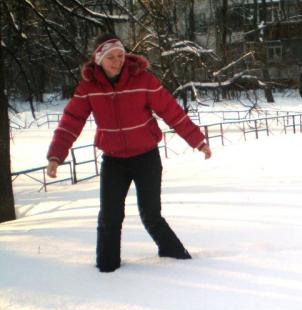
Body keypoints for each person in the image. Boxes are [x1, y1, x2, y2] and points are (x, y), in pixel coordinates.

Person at [46, 33, 212, 273]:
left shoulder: (142, 80)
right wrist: (55, 156)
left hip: (146, 158)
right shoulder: (89, 88)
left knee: (151, 215)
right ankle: (106, 268)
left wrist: (198, 141)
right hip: (113, 161)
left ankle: (177, 258)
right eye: (111, 57)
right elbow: (71, 121)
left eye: (121, 55)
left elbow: (171, 111)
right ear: (99, 59)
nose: (117, 61)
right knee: (110, 217)